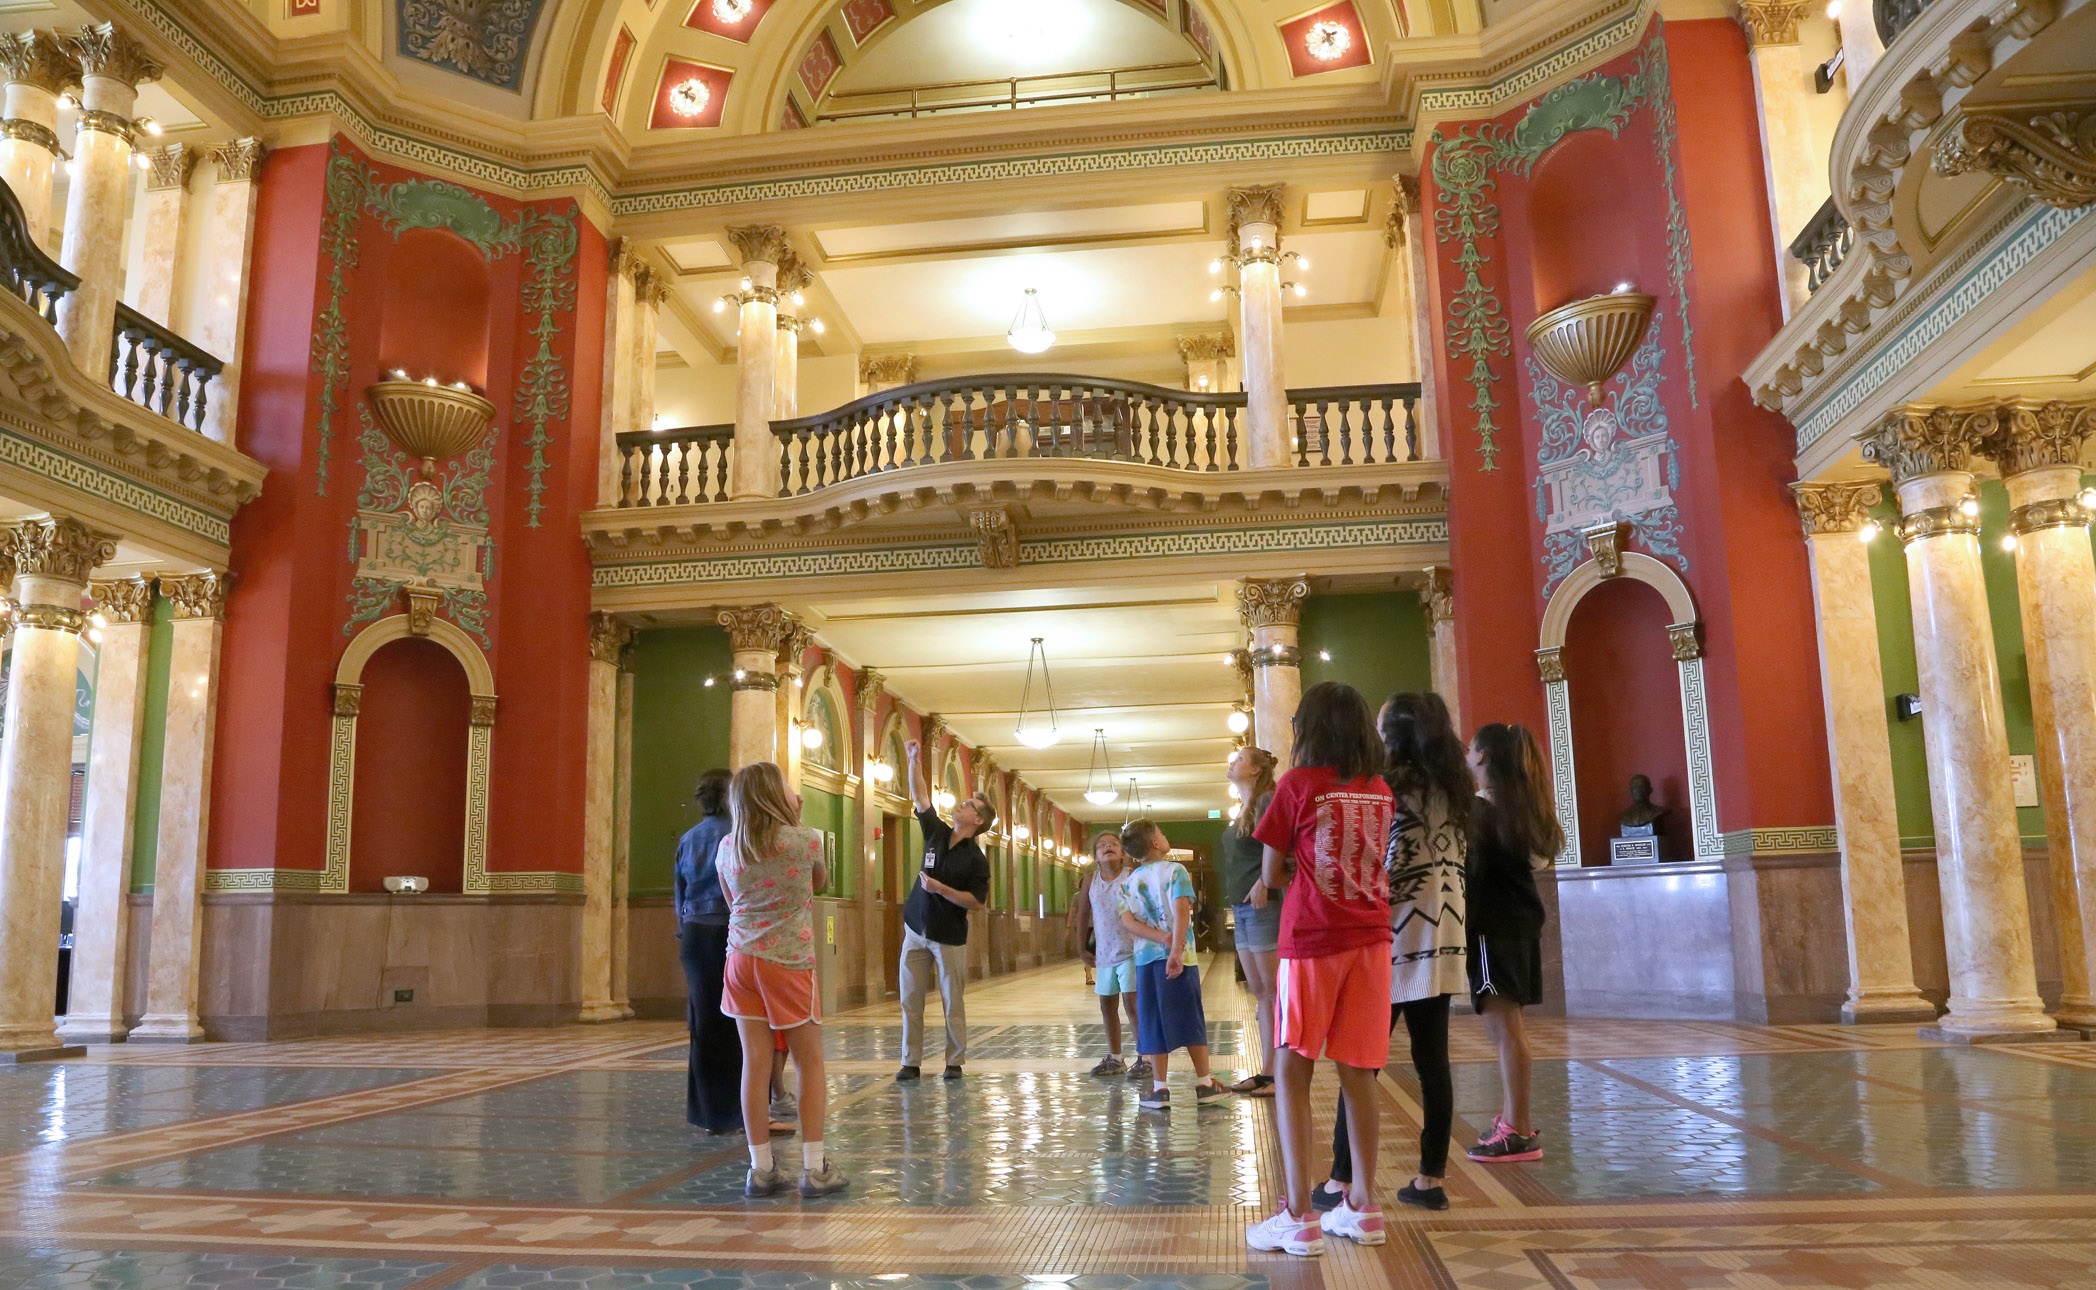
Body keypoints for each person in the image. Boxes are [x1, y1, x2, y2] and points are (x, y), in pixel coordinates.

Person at [1246, 681, 1395, 1259]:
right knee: (1360, 1071)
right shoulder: (1380, 789)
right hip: (1373, 939)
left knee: (1292, 1067)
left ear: (1310, 727)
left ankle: (1299, 1215)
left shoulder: (1298, 785)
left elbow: (1272, 870)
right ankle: (1363, 1205)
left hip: (1311, 940)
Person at [1313, 692, 1471, 1215]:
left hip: (1395, 939)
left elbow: (1372, 860)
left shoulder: (1387, 789)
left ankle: (1340, 1180)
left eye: (1383, 730)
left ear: (1396, 735)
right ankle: (1431, 1179)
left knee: (1360, 1062)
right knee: (1434, 1065)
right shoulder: (1455, 787)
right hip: (1445, 938)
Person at [715, 761, 847, 1197]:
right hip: (787, 961)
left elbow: (733, 900)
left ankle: (762, 1169)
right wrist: (798, 818)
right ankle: (816, 1169)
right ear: (776, 795)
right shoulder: (804, 840)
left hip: (740, 961)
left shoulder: (726, 847)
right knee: (810, 1062)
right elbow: (820, 882)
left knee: (754, 1064)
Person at [1464, 723, 1562, 1164]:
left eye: (1470, 749)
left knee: (1505, 1030)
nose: (1466, 755)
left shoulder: (1483, 810)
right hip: (1518, 923)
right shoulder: (1522, 808)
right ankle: (1512, 1119)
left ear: (1483, 756)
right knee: (1508, 1027)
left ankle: (1518, 1129)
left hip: (1492, 926)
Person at [897, 737, 993, 1082]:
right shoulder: (936, 832)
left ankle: (954, 1061)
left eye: (969, 804)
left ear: (978, 820)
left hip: (948, 937)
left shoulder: (976, 860)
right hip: (915, 929)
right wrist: (913, 759)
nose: (962, 804)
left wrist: (941, 889)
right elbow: (921, 797)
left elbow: (976, 902)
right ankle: (910, 1061)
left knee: (952, 1001)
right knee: (910, 1000)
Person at [1117, 818, 1229, 1109]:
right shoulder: (1176, 871)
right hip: (1180, 958)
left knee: (1153, 1021)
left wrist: (1158, 937)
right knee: (1189, 1017)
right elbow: (1182, 913)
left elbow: (1127, 921)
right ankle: (1204, 1083)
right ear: (1155, 842)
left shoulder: (1130, 881)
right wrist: (1175, 948)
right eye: (1161, 832)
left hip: (1145, 960)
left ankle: (1159, 1089)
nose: (1164, 836)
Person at [673, 770, 740, 1134]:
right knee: (736, 1021)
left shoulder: (688, 839)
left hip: (695, 936)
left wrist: (685, 931)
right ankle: (738, 1110)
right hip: (731, 933)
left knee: (703, 1025)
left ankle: (707, 1112)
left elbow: (680, 895)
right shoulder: (736, 836)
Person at [1219, 746, 1280, 1096]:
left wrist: (1264, 881)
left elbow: (1282, 845)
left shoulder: (1266, 800)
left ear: (1256, 770)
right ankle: (1266, 1070)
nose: (1233, 762)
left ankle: (1274, 1073)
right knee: (1260, 993)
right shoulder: (1244, 807)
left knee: (1270, 994)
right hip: (1241, 909)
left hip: (1262, 906)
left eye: (1240, 759)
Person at [1068, 830, 1143, 1077]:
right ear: (1095, 856)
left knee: (1132, 1004)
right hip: (1105, 953)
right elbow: (1082, 915)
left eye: (1113, 844)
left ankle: (1145, 1057)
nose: (1107, 847)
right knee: (1106, 1004)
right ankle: (1115, 1057)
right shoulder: (1091, 880)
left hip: (1132, 950)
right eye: (1102, 845)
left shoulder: (1131, 876)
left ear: (1123, 853)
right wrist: (1080, 948)